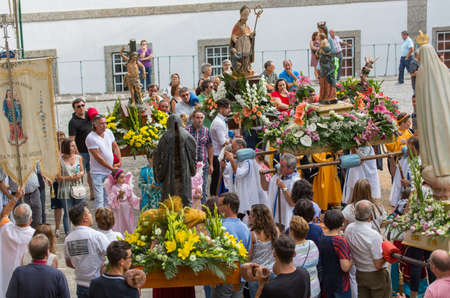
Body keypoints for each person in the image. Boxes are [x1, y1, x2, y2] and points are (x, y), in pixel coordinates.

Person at [344, 200, 391, 298]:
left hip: (360, 272)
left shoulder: (349, 229)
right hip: (375, 275)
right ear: (370, 216)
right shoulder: (373, 235)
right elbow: (378, 264)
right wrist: (388, 254)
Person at [64, 202, 110, 298]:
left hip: (81, 285)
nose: (91, 215)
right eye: (89, 213)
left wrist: (82, 266)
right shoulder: (96, 236)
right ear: (84, 218)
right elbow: (112, 254)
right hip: (98, 284)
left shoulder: (68, 239)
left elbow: (68, 262)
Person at [6, 234, 70, 298]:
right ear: (47, 253)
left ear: (30, 253)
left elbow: (10, 295)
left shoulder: (19, 272)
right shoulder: (58, 275)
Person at [153, 115, 197, 206]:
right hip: (184, 173)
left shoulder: (165, 137)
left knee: (169, 201)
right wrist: (192, 169)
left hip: (169, 175)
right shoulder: (187, 135)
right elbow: (193, 154)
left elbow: (159, 158)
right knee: (185, 201)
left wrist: (159, 175)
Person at [213, 192, 251, 298]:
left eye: (220, 205)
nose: (218, 208)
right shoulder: (246, 228)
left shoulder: (219, 226)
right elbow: (248, 254)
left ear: (228, 206)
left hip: (223, 278)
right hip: (239, 279)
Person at [224, 138, 268, 220]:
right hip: (238, 193)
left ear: (240, 147)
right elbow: (227, 170)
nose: (232, 150)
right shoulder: (238, 159)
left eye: (233, 147)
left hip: (248, 195)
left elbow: (239, 174)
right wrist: (223, 164)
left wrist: (231, 160)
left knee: (247, 218)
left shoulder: (248, 160)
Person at [86, 114, 122, 210]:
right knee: (99, 199)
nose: (104, 125)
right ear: (95, 125)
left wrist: (119, 160)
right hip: (98, 172)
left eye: (105, 123)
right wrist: (111, 168)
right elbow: (98, 157)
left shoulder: (109, 132)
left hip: (109, 172)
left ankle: (108, 221)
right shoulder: (91, 138)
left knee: (108, 198)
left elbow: (115, 146)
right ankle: (100, 223)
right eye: (101, 124)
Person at [0, 200, 34, 298]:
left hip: (4, 279)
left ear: (14, 218)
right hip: (26, 281)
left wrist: (16, 197)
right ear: (30, 219)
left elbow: (4, 213)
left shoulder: (5, 228)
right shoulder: (35, 236)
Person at [260, 153, 300, 230]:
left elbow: (292, 203)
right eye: (280, 165)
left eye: (282, 166)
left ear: (290, 168)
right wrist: (262, 176)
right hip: (274, 217)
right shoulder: (277, 176)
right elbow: (265, 187)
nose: (279, 168)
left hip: (286, 220)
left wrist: (283, 187)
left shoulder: (297, 182)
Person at [318, 209, 353, 298]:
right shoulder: (340, 241)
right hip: (339, 284)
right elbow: (345, 267)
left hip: (325, 282)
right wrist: (352, 257)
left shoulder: (321, 237)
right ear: (341, 223)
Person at [247, 204, 278, 298]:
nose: (248, 217)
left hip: (257, 274)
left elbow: (248, 257)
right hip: (272, 272)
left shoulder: (252, 234)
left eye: (251, 215)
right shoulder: (275, 231)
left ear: (258, 218)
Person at [57, 138, 86, 235]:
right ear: (66, 147)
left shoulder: (78, 158)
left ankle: (81, 231)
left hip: (78, 187)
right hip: (65, 188)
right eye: (72, 146)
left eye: (74, 145)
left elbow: (82, 171)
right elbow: (58, 178)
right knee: (68, 212)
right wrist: (69, 177)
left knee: (81, 210)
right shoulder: (60, 161)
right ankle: (68, 233)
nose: (74, 148)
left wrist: (80, 175)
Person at [69, 98, 94, 200]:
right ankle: (79, 194)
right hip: (81, 152)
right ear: (74, 109)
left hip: (92, 151)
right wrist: (77, 154)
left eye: (83, 105)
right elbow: (72, 140)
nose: (81, 108)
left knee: (91, 173)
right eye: (78, 106)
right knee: (80, 174)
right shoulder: (73, 122)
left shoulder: (89, 116)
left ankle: (93, 192)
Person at [186, 110, 214, 203]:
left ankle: (203, 213)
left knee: (203, 189)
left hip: (203, 165)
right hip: (190, 165)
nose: (199, 120)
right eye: (197, 117)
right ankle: (190, 210)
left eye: (201, 118)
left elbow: (210, 147)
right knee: (190, 189)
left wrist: (211, 164)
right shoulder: (186, 130)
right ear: (193, 118)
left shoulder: (206, 130)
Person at [289, 216, 320, 298]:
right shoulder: (312, 244)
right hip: (314, 287)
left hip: (299, 290)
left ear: (292, 231)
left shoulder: (290, 250)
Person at [104, 169, 140, 235]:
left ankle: (130, 234)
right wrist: (118, 196)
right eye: (121, 177)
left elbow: (131, 196)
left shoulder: (127, 186)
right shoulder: (114, 188)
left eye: (124, 177)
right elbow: (112, 199)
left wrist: (138, 200)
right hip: (119, 209)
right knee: (119, 222)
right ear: (115, 179)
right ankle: (119, 234)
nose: (124, 179)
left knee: (128, 220)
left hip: (126, 207)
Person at [389, 136, 420, 209]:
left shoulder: (420, 163)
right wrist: (391, 160)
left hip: (409, 201)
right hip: (397, 199)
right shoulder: (404, 159)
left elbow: (422, 184)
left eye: (410, 149)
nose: (407, 151)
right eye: (407, 148)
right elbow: (394, 173)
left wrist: (409, 183)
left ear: (418, 150)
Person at [210, 99, 231, 196]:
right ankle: (214, 200)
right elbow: (224, 142)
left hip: (219, 154)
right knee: (216, 180)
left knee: (218, 179)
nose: (229, 110)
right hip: (217, 155)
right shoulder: (218, 123)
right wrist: (234, 143)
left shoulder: (221, 121)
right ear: (221, 109)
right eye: (228, 108)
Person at [230, 5, 255, 76]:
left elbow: (249, 35)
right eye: (244, 14)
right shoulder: (237, 25)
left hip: (246, 45)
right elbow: (233, 36)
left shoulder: (247, 26)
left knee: (247, 56)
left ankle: (246, 67)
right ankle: (240, 68)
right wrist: (235, 41)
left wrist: (252, 35)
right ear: (241, 14)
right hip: (240, 45)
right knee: (241, 57)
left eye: (247, 14)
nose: (246, 16)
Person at [317, 32, 337, 103]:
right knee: (324, 81)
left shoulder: (326, 41)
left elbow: (329, 51)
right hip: (324, 67)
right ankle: (324, 96)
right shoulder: (322, 42)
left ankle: (330, 96)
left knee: (329, 81)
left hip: (328, 67)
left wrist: (323, 52)